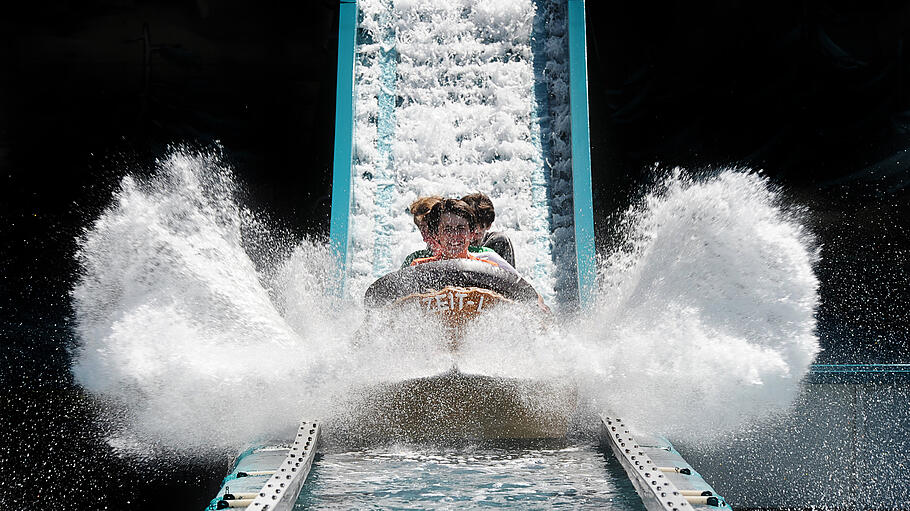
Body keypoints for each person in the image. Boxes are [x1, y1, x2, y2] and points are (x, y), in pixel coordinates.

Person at [401, 195, 496, 268]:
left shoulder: (489, 268)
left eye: (461, 228)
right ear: (436, 234)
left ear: (471, 233)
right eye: (447, 229)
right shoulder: (418, 267)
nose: (454, 235)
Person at [460, 192, 515, 267]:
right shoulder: (450, 239)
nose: (471, 237)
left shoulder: (498, 242)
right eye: (469, 231)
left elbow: (510, 276)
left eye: (477, 233)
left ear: (489, 226)